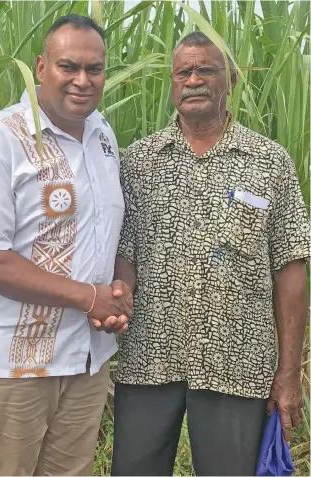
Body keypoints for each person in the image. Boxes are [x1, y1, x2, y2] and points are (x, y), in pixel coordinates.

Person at [110, 31, 310, 476]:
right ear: (172, 83)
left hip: (237, 362)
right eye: (184, 72)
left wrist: (289, 372)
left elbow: (291, 266)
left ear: (232, 79)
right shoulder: (138, 161)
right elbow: (124, 251)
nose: (194, 80)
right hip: (149, 359)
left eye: (207, 70)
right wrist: (119, 295)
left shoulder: (269, 161)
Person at [0, 13, 130, 476]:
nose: (83, 81)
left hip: (86, 358)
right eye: (69, 66)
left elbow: (107, 231)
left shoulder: (103, 137)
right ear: (41, 66)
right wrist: (89, 297)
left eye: (95, 69)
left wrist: (118, 290)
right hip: (13, 364)